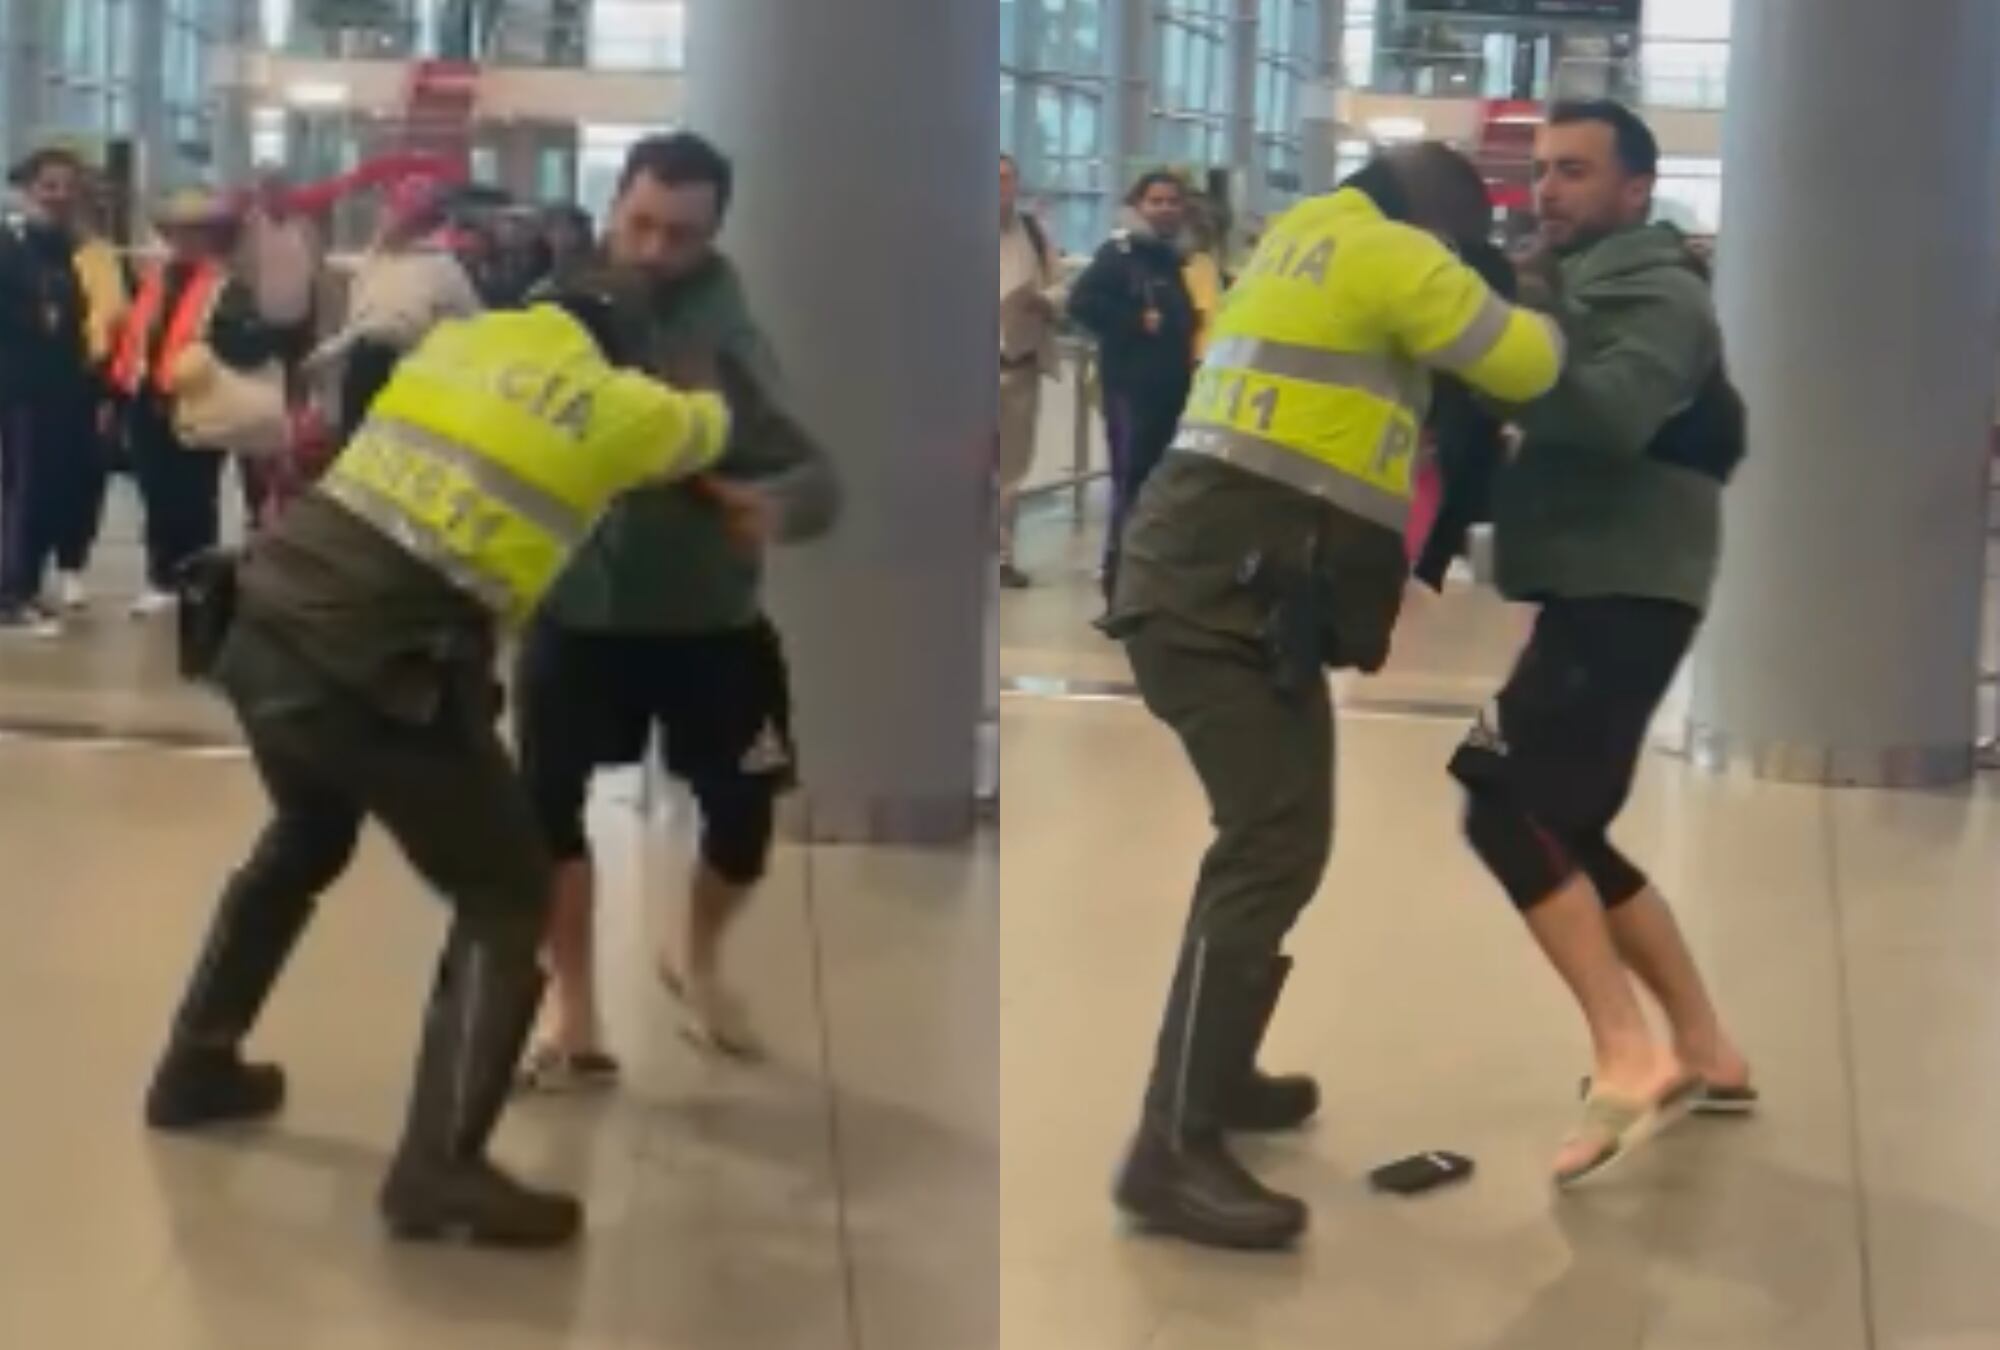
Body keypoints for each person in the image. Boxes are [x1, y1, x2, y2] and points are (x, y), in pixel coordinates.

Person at [142, 271, 735, 1248]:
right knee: (507, 891)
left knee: (308, 831)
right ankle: (440, 1168)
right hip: (372, 668)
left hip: (259, 625)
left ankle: (195, 1062)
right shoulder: (620, 405)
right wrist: (702, 380)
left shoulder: (459, 344)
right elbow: (708, 430)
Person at [1101, 144, 1565, 1251]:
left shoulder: (1301, 236)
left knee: (1289, 836)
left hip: (1227, 586)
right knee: (1268, 841)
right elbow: (1526, 364)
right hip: (1214, 600)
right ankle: (1169, 1147)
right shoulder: (1392, 254)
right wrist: (1534, 287)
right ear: (1441, 228)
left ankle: (1217, 1074)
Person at [1449, 100, 1753, 1187]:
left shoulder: (1658, 293)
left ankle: (1627, 1054)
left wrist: (1504, 333)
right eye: (1542, 169)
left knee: (1502, 804)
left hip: (1629, 588)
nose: (1548, 189)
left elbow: (1610, 414)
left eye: (1575, 171)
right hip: (1597, 583)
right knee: (1566, 819)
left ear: (1636, 189)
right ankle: (1706, 1048)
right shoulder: (1574, 284)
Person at [515, 132, 839, 1088]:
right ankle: (572, 1009)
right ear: (615, 208)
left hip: (711, 628)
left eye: (682, 234)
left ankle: (695, 958)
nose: (656, 249)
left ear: (714, 234)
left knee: (744, 819)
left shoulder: (729, 342)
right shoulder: (553, 316)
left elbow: (816, 480)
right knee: (546, 811)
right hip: (577, 617)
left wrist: (766, 507)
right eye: (642, 224)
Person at [111, 190, 274, 618]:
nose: (184, 240)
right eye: (177, 232)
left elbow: (252, 348)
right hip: (146, 403)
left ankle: (197, 579)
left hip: (198, 406)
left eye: (196, 232)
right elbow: (135, 341)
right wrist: (119, 395)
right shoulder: (152, 281)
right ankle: (161, 577)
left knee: (195, 497)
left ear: (214, 237)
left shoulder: (229, 287)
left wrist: (221, 337)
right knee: (155, 495)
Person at [1068, 170, 1198, 606]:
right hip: (1131, 392)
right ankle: (1119, 582)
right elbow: (1081, 303)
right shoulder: (1119, 255)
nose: (1165, 209)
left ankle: (1150, 580)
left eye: (1172, 201)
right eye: (1155, 201)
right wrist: (1132, 321)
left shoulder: (1175, 259)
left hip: (1172, 391)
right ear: (1138, 205)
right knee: (1131, 482)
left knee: (1161, 487)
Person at [310, 177, 482, 443]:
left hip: (407, 378)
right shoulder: (383, 257)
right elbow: (357, 269)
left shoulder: (441, 270)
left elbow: (389, 326)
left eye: (391, 212)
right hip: (364, 368)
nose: (382, 218)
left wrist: (329, 352)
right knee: (357, 443)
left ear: (415, 222)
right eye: (385, 210)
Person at [0, 146, 92, 635]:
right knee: (21, 490)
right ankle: (9, 595)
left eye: (69, 187)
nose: (60, 195)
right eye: (49, 186)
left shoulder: (61, 248)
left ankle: (27, 584)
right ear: (27, 188)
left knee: (43, 489)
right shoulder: (10, 244)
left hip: (58, 392)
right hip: (20, 389)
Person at [59, 172, 133, 612]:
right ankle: (20, 571)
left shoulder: (109, 258)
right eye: (89, 202)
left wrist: (112, 389)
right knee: (31, 478)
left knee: (87, 476)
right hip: (47, 380)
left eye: (103, 205)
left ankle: (72, 563)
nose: (96, 212)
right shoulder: (37, 253)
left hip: (97, 383)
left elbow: (125, 322)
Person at [997, 153, 1063, 590]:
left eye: (1007, 178)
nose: (1000, 187)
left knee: (1012, 469)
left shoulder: (1034, 234)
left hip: (1018, 366)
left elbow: (1061, 286)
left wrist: (1045, 301)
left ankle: (1002, 556)